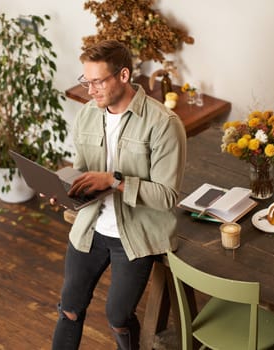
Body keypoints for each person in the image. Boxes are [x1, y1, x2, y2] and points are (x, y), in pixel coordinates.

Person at [52, 40, 187, 350]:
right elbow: (83, 170)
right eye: (85, 81)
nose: (90, 90)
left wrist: (114, 181)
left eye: (98, 81)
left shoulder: (164, 124)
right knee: (69, 309)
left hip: (135, 235)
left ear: (124, 75)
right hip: (90, 227)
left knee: (118, 316)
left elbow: (167, 197)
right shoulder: (87, 115)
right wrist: (64, 189)